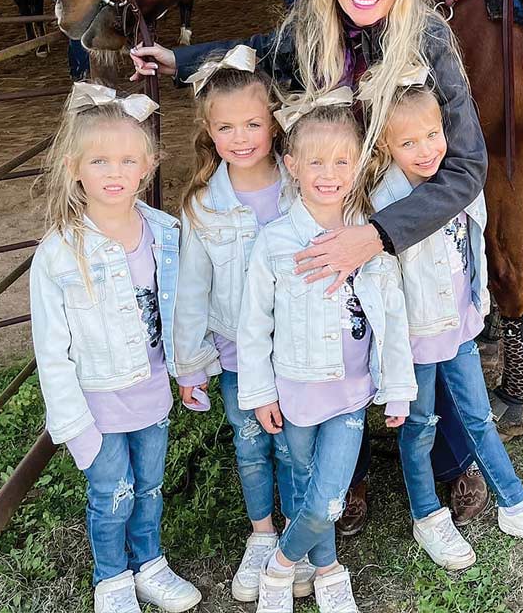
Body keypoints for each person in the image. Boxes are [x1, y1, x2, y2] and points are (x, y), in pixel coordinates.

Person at [129, 0, 491, 529]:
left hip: (414, 209)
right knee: (330, 321)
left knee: (430, 330)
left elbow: (466, 166)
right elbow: (263, 50)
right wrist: (180, 58)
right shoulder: (314, 26)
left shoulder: (429, 38)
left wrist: (378, 236)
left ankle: (449, 460)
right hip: (336, 196)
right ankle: (341, 473)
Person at [370, 80, 523, 569]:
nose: (426, 151)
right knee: (418, 427)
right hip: (416, 339)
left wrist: (479, 304)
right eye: (408, 142)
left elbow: (477, 246)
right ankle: (427, 516)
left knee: (479, 416)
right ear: (385, 145)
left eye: (433, 135)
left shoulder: (459, 183)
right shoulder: (383, 203)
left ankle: (516, 504)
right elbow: (384, 292)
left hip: (459, 327)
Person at [239, 94, 415, 613]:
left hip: (350, 392)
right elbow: (255, 325)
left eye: (342, 161)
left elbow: (392, 319)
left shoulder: (370, 238)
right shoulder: (274, 242)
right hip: (293, 389)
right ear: (292, 166)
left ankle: (281, 565)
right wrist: (259, 391)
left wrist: (399, 386)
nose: (329, 174)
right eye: (315, 162)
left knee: (329, 497)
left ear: (358, 163)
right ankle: (327, 566)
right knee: (301, 484)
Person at [29, 83, 201, 613]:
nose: (115, 172)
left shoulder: (165, 233)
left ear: (148, 167)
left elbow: (184, 310)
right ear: (74, 167)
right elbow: (51, 351)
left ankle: (149, 563)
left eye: (128, 160)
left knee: (148, 487)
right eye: (100, 160)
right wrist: (72, 424)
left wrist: (192, 368)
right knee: (112, 494)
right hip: (97, 402)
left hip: (151, 393)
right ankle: (112, 579)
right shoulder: (59, 253)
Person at [171, 46, 309, 603]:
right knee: (251, 442)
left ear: (274, 123)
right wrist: (190, 364)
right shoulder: (203, 204)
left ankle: (298, 543)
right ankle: (261, 535)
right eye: (226, 126)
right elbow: (190, 292)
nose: (242, 136)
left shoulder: (303, 186)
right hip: (235, 351)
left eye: (253, 123)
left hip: (298, 343)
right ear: (209, 130)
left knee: (296, 446)